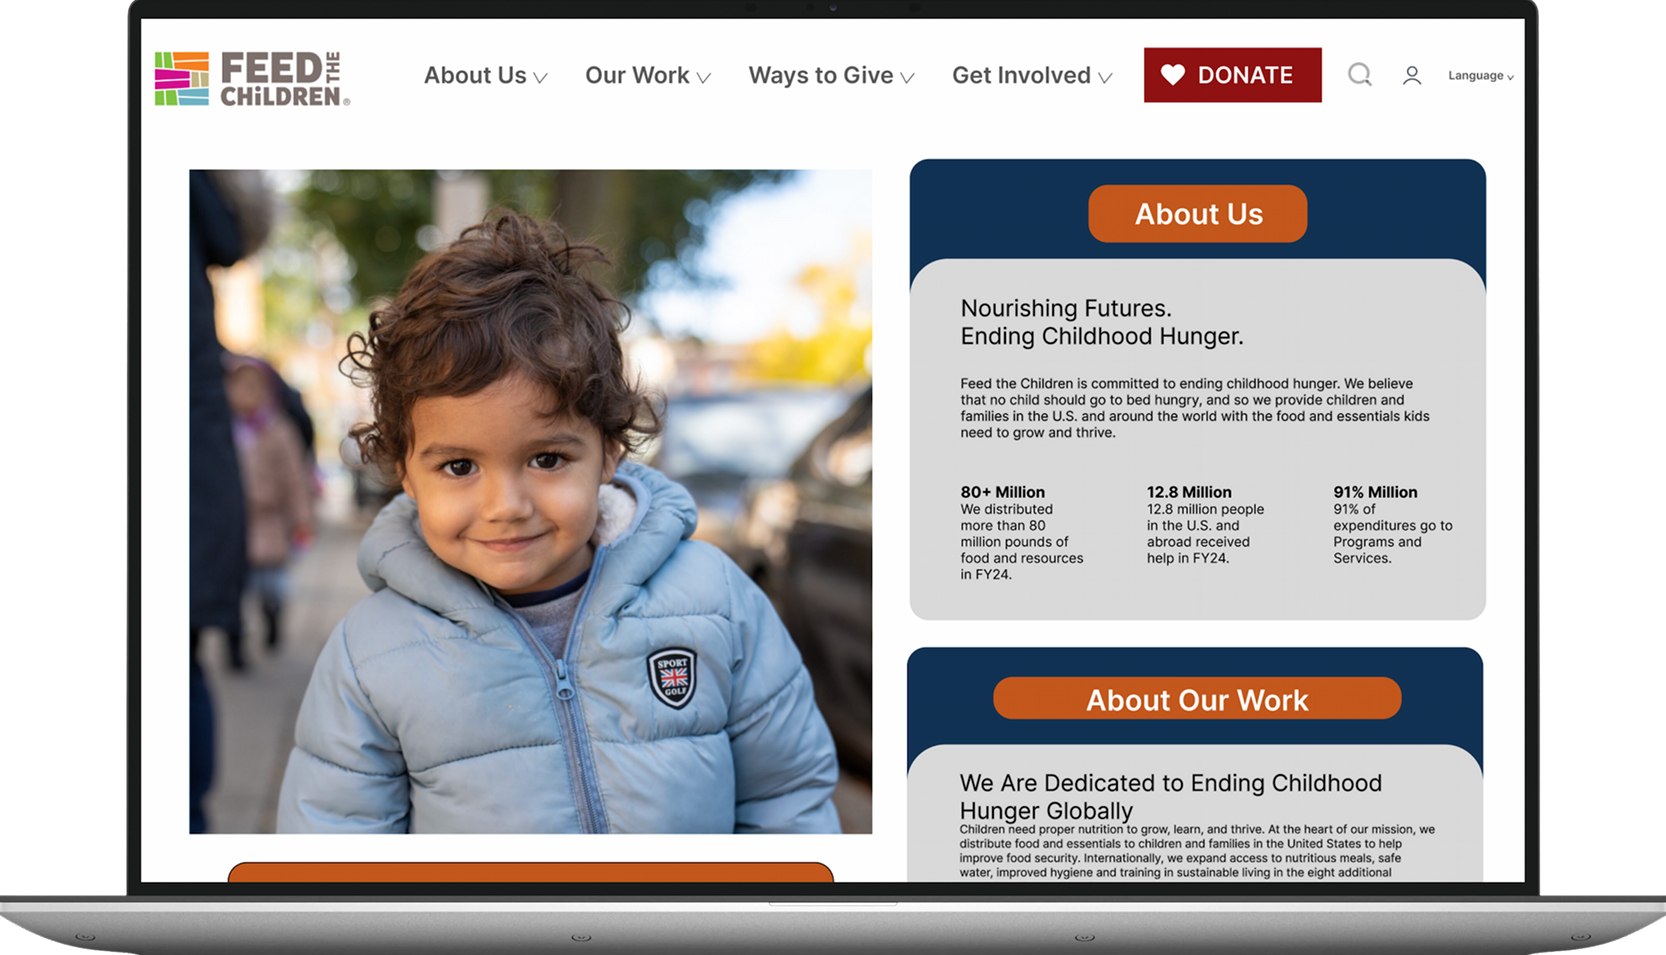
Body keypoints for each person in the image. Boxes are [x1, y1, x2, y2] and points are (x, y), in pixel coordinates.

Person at [277, 213, 841, 833]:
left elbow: (788, 801)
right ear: (406, 474)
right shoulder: (371, 655)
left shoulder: (717, 601)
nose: (506, 505)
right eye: (459, 466)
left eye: (547, 459)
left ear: (610, 450)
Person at [226, 358, 315, 658]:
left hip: (270, 522)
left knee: (271, 585)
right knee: (234, 587)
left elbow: (294, 479)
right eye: (239, 386)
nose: (246, 394)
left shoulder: (279, 431)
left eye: (254, 387)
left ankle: (272, 616)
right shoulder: (225, 431)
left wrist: (301, 520)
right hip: (234, 522)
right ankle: (235, 643)